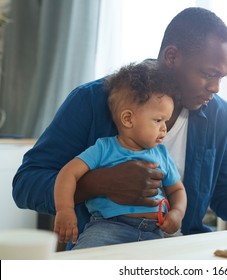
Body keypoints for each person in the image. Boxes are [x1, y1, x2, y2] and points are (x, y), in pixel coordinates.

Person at [13, 7, 227, 248]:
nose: (215, 88)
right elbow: (26, 183)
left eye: (222, 77)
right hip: (104, 245)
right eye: (208, 74)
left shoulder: (220, 116)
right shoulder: (94, 100)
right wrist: (100, 183)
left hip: (184, 250)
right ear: (172, 57)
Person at [53, 62, 186, 249]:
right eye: (158, 120)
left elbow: (177, 190)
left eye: (166, 120)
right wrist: (64, 210)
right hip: (107, 227)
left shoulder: (161, 154)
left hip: (153, 232)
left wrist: (177, 213)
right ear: (128, 119)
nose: (164, 128)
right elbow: (68, 173)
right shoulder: (103, 148)